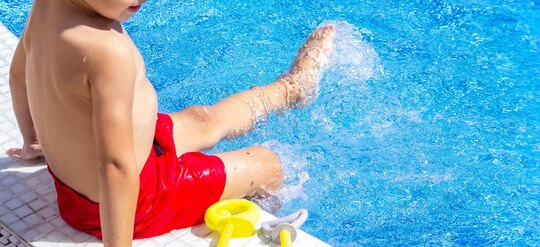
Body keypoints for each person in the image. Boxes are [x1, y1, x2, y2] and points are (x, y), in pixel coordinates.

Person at [6, 0, 335, 246]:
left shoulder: (47, 7)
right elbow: (117, 168)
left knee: (202, 119)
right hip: (138, 199)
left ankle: (292, 88)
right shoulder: (104, 50)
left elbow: (20, 74)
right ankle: (246, 203)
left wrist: (32, 143)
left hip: (131, 155)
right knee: (269, 164)